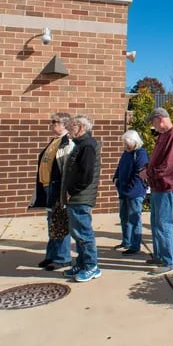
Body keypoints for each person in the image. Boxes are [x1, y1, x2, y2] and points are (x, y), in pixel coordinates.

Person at [61, 115, 102, 283]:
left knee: (84, 233)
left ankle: (92, 266)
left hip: (80, 197)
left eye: (72, 127)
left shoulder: (88, 146)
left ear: (81, 128)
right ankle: (82, 262)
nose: (69, 130)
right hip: (76, 198)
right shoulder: (81, 145)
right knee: (77, 234)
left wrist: (72, 191)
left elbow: (86, 174)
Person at [146, 108, 173, 276]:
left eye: (153, 123)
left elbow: (169, 166)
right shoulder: (164, 135)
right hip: (158, 186)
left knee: (163, 224)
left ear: (160, 119)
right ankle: (160, 255)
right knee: (156, 222)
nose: (153, 127)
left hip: (166, 186)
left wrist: (148, 173)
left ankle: (170, 261)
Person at [35, 112, 73, 271]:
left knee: (60, 222)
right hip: (47, 186)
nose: (52, 124)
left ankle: (63, 257)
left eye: (55, 122)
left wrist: (66, 191)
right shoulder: (54, 141)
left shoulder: (67, 143)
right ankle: (51, 255)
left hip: (58, 188)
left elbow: (67, 168)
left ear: (65, 125)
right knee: (51, 222)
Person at [112, 130, 149, 255]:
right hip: (123, 190)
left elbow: (139, 173)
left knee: (134, 218)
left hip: (135, 192)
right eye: (125, 143)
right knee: (124, 217)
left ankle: (135, 245)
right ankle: (126, 241)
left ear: (135, 143)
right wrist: (116, 179)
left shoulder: (140, 154)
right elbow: (120, 167)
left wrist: (129, 188)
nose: (126, 146)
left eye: (128, 144)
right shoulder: (126, 153)